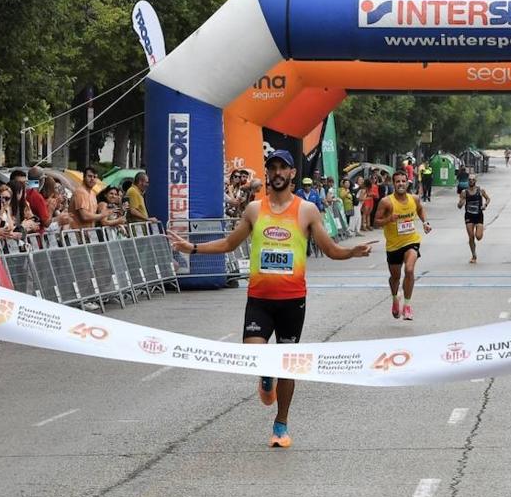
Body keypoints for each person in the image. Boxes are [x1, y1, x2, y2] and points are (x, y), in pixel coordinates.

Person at [167, 150, 373, 448]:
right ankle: (266, 375)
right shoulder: (253, 210)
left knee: (288, 365)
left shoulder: (306, 211)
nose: (277, 172)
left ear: (291, 174)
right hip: (260, 299)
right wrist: (193, 249)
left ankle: (281, 424)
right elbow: (229, 243)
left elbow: (329, 249)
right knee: (256, 355)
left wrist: (351, 252)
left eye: (282, 168)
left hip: (292, 300)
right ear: (268, 174)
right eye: (272, 167)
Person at [374, 170, 431, 320]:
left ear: (407, 183)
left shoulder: (415, 199)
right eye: (397, 181)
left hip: (411, 240)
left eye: (403, 181)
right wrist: (388, 219)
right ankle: (394, 299)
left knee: (410, 270)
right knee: (395, 277)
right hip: (393, 245)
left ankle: (407, 306)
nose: (400, 184)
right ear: (393, 184)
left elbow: (420, 210)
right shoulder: (386, 202)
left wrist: (425, 222)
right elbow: (376, 221)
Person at [458, 173, 490, 264]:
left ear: (475, 181)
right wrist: (461, 203)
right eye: (469, 180)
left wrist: (485, 205)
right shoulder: (464, 192)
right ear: (468, 181)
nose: (471, 181)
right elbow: (459, 205)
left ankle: (481, 229)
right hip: (469, 216)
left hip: (479, 215)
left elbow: (488, 199)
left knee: (478, 237)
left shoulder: (480, 190)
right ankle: (474, 255)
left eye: (473, 179)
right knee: (471, 236)